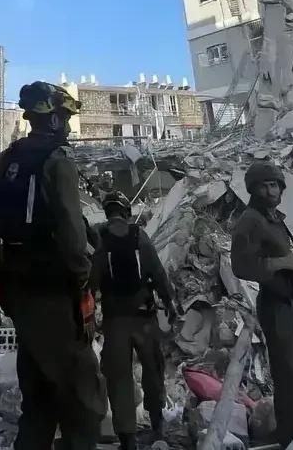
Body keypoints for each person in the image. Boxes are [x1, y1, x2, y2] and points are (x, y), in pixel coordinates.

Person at [0, 81, 106, 450]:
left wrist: (3, 271)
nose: (68, 126)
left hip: (18, 291)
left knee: (38, 394)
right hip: (54, 294)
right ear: (54, 119)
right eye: (65, 117)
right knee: (83, 396)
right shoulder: (57, 161)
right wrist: (84, 278)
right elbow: (71, 236)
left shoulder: (8, 159)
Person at [230, 162, 293, 449]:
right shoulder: (250, 220)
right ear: (253, 189)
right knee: (291, 375)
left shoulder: (272, 218)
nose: (271, 191)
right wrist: (285, 262)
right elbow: (241, 266)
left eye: (274, 185)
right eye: (264, 186)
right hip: (277, 306)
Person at [92, 191, 176, 450]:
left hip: (115, 321)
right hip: (144, 318)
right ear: (127, 212)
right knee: (153, 370)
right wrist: (169, 302)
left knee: (119, 378)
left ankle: (127, 439)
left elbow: (92, 280)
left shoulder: (100, 239)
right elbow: (157, 273)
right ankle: (158, 426)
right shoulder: (140, 236)